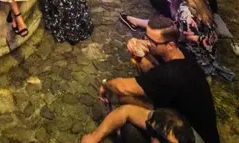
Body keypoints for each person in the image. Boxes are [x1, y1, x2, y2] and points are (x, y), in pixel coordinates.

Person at [93, 15, 220, 143]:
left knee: (129, 127)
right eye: (146, 37)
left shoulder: (171, 74)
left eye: (151, 41)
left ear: (170, 45)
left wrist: (105, 84)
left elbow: (123, 88)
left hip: (191, 135)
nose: (147, 42)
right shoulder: (180, 53)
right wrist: (137, 45)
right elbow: (151, 69)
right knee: (127, 97)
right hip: (181, 116)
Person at [82, 105, 201, 143]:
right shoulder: (163, 123)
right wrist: (95, 137)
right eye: (155, 133)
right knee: (130, 130)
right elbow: (126, 111)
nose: (155, 141)